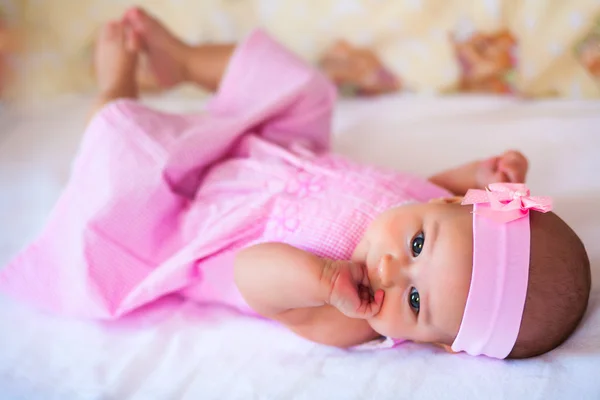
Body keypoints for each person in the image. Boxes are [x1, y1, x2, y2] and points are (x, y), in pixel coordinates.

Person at [0, 8, 590, 360]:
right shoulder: (427, 201)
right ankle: (181, 59)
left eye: (414, 302)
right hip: (279, 153)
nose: (390, 271)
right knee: (302, 86)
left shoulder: (350, 318)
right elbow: (424, 185)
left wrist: (325, 279)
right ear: (451, 204)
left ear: (438, 344)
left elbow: (251, 277)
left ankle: (116, 86)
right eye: (416, 247)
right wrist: (484, 175)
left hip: (191, 214)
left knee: (120, 145)